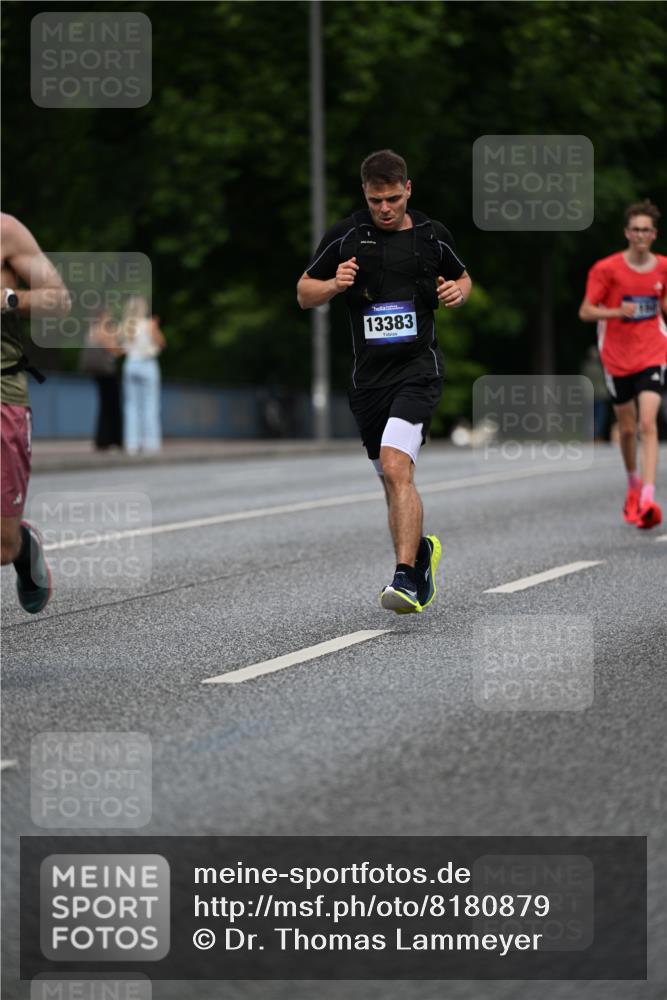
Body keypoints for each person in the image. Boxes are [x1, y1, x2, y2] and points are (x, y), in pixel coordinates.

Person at [297, 149, 472, 613]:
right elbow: (302, 293)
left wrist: (458, 292)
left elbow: (463, 277)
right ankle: (420, 556)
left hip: (418, 371)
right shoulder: (347, 235)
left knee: (397, 467)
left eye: (393, 198)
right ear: (365, 194)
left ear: (408, 190)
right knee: (392, 479)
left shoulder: (433, 236)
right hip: (368, 381)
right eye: (377, 200)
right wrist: (334, 285)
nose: (385, 209)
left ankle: (404, 579)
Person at [579, 199, 667, 529]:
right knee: (627, 428)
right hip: (616, 357)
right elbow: (586, 311)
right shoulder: (607, 269)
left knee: (648, 423)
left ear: (654, 234)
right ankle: (632, 483)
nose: (641, 235)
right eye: (636, 230)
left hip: (653, 352)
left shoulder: (663, 268)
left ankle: (647, 496)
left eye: (647, 230)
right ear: (627, 233)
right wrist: (617, 312)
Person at [1, 212, 71, 613]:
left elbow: (58, 300)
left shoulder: (6, 231)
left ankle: (23, 547)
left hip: (2, 391)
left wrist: (9, 299)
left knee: (2, 544)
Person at [118, 295, 166, 454]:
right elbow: (161, 343)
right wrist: (156, 326)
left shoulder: (124, 327)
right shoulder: (148, 325)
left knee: (131, 406)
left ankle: (132, 443)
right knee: (150, 405)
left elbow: (119, 349)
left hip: (130, 364)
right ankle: (150, 443)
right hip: (147, 364)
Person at [79, 307, 123, 450]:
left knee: (104, 405)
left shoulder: (91, 330)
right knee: (111, 406)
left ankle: (103, 439)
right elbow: (113, 350)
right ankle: (110, 439)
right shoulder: (102, 330)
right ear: (103, 315)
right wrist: (125, 348)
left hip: (97, 373)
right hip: (107, 373)